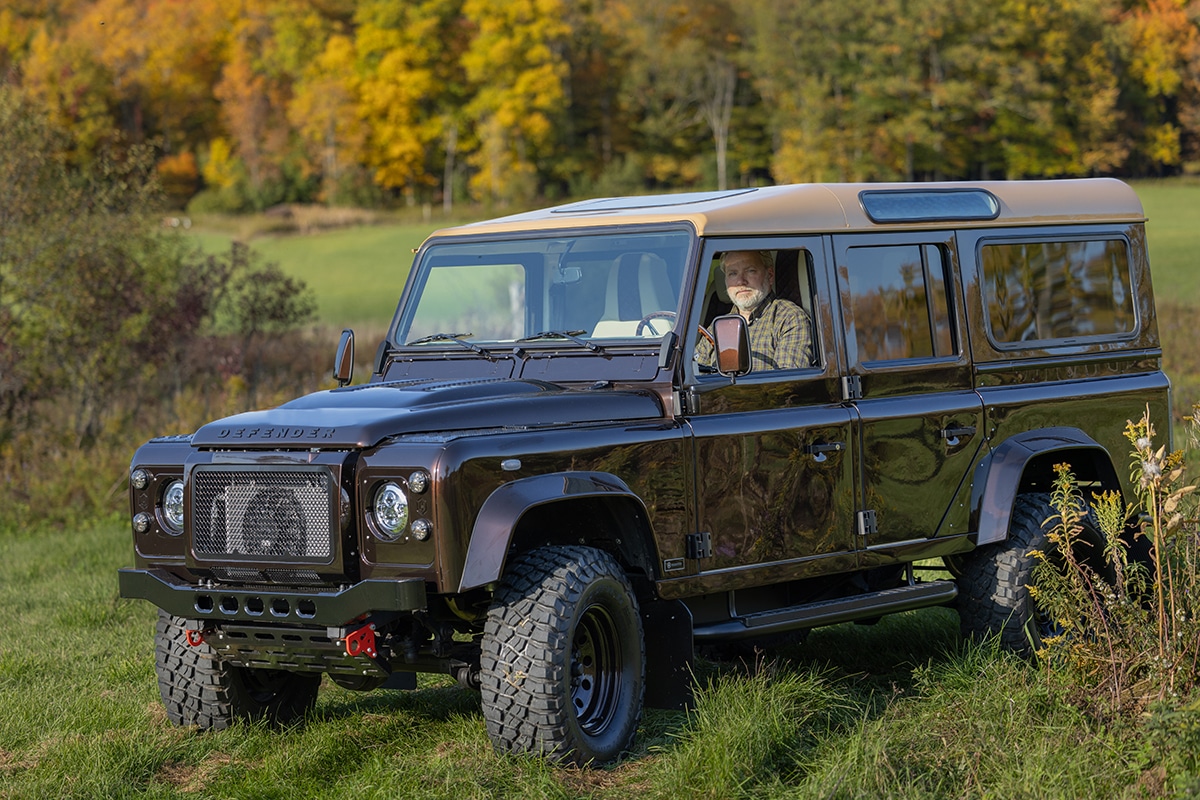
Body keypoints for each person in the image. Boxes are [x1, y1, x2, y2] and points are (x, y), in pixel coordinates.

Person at [696, 250, 814, 371]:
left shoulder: (789, 318)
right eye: (733, 273)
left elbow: (786, 385)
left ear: (770, 275)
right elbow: (694, 373)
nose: (741, 281)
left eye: (750, 271)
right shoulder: (717, 326)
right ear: (725, 281)